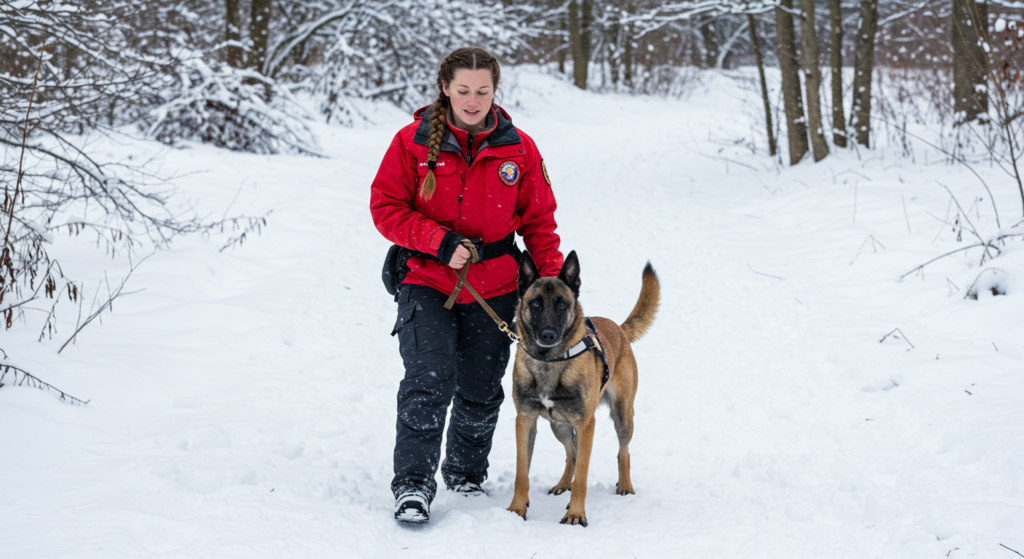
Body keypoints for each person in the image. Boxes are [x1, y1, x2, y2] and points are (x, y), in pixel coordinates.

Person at [370, 47, 563, 523]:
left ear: (495, 91)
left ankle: (465, 474)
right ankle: (413, 485)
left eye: (482, 91)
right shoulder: (410, 143)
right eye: (463, 91)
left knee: (481, 389)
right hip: (426, 280)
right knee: (428, 379)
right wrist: (437, 241)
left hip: (496, 288)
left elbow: (539, 221)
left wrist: (556, 287)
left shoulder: (520, 148)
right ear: (445, 88)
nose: (472, 101)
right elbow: (386, 208)